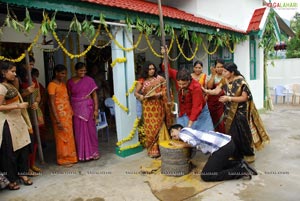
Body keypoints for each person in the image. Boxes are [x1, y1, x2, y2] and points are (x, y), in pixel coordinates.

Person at [203, 62, 270, 163]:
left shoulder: (241, 82)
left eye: (225, 71)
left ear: (232, 72)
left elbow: (244, 97)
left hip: (240, 112)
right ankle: (236, 154)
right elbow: (216, 91)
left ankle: (249, 154)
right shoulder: (224, 80)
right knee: (231, 134)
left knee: (242, 133)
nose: (223, 73)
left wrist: (229, 98)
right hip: (228, 111)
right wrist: (206, 91)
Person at [169, 124, 258, 181]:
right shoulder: (190, 131)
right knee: (214, 166)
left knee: (206, 175)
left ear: (179, 128)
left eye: (172, 131)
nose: (173, 135)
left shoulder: (183, 132)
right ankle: (239, 163)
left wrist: (180, 145)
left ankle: (240, 171)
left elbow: (193, 143)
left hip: (223, 147)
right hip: (228, 143)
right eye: (171, 136)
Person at [0, 61, 33, 190]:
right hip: (8, 123)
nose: (14, 73)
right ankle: (11, 179)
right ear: (3, 72)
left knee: (23, 148)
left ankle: (23, 174)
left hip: (18, 121)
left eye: (15, 71)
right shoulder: (1, 87)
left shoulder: (10, 85)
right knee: (10, 153)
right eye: (12, 71)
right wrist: (18, 105)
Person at [161, 62, 213, 131]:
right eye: (179, 84)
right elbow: (167, 70)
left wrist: (189, 125)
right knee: (182, 134)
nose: (181, 86)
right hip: (184, 111)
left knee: (201, 136)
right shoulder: (178, 75)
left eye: (184, 84)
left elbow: (196, 107)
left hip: (200, 113)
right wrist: (165, 56)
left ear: (189, 80)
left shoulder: (196, 87)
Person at [134, 61, 171, 158]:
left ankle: (161, 147)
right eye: (149, 69)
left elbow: (166, 89)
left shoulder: (159, 79)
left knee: (159, 125)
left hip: (158, 105)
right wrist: (140, 97)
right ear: (146, 70)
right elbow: (136, 93)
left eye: (153, 69)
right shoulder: (142, 81)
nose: (151, 71)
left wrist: (161, 94)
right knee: (151, 127)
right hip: (148, 108)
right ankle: (152, 148)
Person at [67, 62, 100, 161]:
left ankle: (93, 152)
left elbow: (94, 95)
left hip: (88, 109)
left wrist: (96, 110)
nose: (83, 72)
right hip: (76, 110)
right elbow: (68, 97)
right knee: (78, 132)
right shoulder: (70, 82)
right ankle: (82, 154)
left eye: (85, 71)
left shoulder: (89, 80)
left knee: (91, 131)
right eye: (81, 71)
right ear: (76, 71)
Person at [47, 64, 78, 167]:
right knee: (61, 137)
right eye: (62, 73)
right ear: (56, 73)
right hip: (59, 115)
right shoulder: (52, 85)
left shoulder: (63, 84)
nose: (64, 75)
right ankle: (63, 159)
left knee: (69, 136)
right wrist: (57, 120)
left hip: (67, 114)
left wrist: (71, 110)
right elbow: (51, 103)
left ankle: (71, 157)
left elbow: (66, 98)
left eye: (65, 73)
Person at [19, 57, 44, 175]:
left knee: (34, 140)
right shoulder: (18, 79)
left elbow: (38, 95)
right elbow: (17, 97)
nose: (31, 67)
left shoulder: (34, 79)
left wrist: (36, 102)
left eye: (32, 64)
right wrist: (26, 92)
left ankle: (32, 164)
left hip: (34, 110)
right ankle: (26, 166)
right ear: (23, 65)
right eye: (29, 64)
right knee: (27, 139)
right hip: (24, 112)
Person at [206, 58, 225, 133]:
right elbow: (209, 87)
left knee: (222, 121)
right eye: (218, 67)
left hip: (222, 101)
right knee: (212, 119)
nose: (220, 69)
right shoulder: (211, 76)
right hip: (212, 102)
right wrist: (213, 75)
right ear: (215, 68)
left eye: (221, 67)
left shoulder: (226, 76)